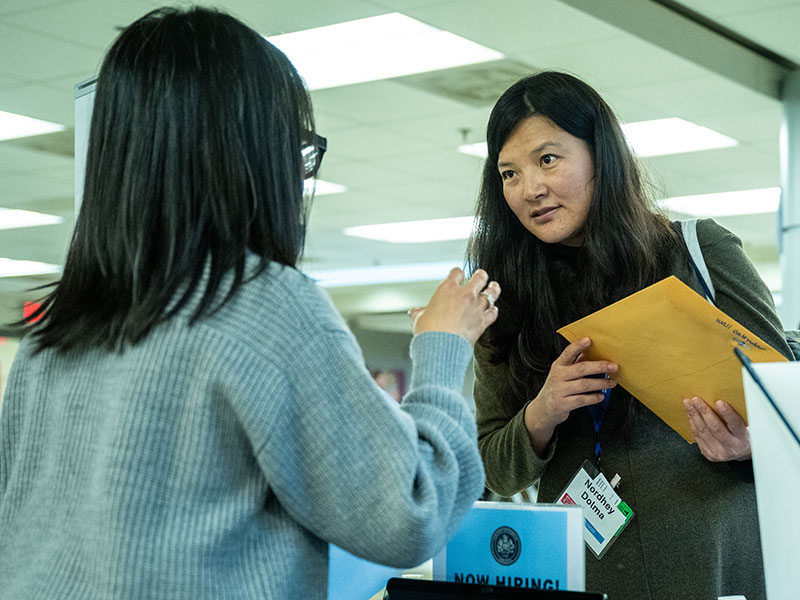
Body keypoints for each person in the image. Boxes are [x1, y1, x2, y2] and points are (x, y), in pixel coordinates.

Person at [0, 7, 502, 599]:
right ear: (252, 153)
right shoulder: (263, 305)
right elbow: (407, 514)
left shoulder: (53, 335)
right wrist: (442, 350)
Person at [467, 71, 793, 600]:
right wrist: (541, 413)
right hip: (584, 570)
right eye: (508, 173)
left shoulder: (699, 252)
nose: (530, 189)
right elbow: (491, 469)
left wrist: (753, 445)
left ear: (602, 154)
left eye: (548, 159)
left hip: (714, 564)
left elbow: (787, 412)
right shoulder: (505, 300)